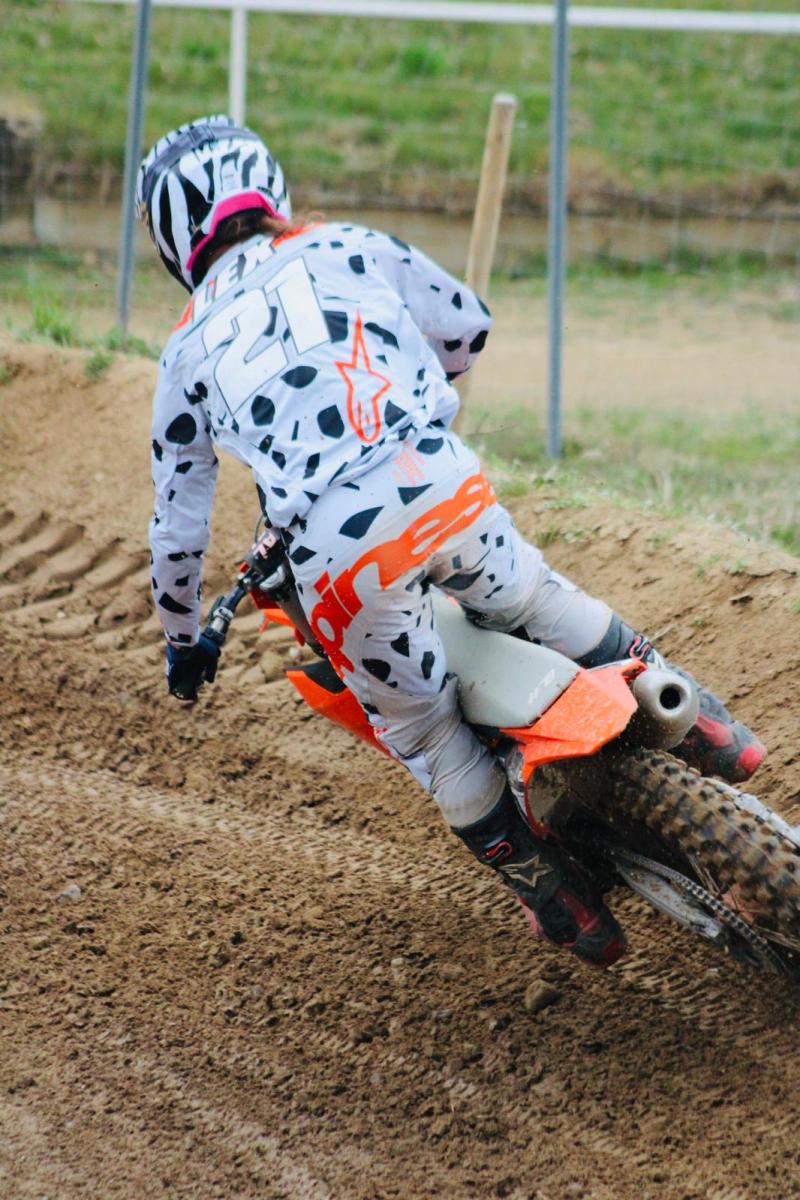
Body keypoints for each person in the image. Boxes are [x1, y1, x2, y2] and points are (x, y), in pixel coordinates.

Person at [138, 115, 765, 968]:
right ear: (267, 184)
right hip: (434, 481)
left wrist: (183, 640)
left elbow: (178, 527)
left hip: (339, 558)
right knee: (537, 598)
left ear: (172, 238)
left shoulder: (184, 349)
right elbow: (465, 325)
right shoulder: (343, 243)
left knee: (429, 736)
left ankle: (559, 899)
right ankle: (708, 726)